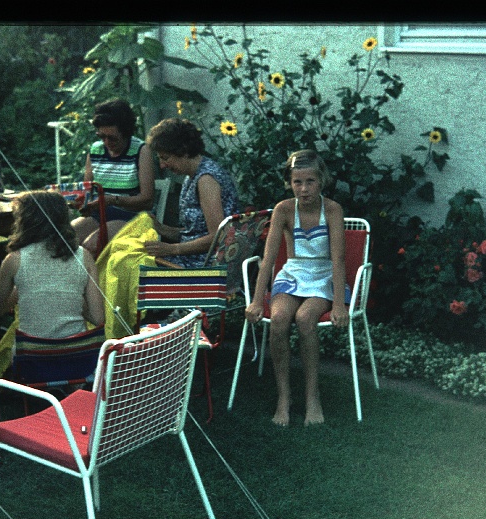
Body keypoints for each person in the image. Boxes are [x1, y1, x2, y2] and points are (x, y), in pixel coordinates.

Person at [244, 149, 350, 427]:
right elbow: (268, 260)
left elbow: (338, 259)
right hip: (293, 274)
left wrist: (338, 304)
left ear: (321, 181)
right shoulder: (284, 210)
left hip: (322, 275)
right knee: (278, 320)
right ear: (289, 183)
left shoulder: (334, 210)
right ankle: (284, 397)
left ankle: (312, 396)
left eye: (310, 182)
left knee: (305, 319)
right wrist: (256, 301)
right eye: (297, 182)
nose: (304, 189)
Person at [0, 190, 105, 338]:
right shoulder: (84, 256)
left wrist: (23, 291)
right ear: (64, 218)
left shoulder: (14, 260)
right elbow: (99, 319)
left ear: (23, 220)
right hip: (76, 352)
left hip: (33, 354)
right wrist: (70, 297)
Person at [143, 118, 240, 267]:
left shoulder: (206, 179)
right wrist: (161, 228)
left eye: (165, 158)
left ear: (183, 150)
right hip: (194, 259)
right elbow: (195, 232)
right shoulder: (193, 175)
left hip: (204, 266)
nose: (162, 165)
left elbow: (218, 237)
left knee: (132, 263)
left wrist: (172, 249)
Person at [71, 99, 158, 252]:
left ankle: (92, 276)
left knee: (91, 245)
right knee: (64, 239)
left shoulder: (141, 150)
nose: (106, 142)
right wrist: (79, 202)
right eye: (101, 136)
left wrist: (111, 200)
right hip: (100, 214)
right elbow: (87, 191)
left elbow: (147, 201)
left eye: (112, 138)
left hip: (132, 217)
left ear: (126, 132)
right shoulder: (96, 150)